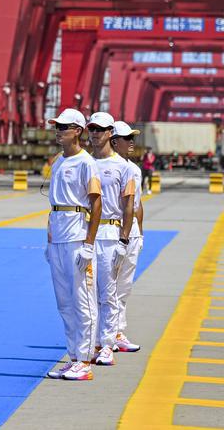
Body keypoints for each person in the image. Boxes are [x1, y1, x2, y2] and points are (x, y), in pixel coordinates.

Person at [43, 109, 102, 382]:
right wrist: (49, 240)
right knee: (64, 302)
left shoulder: (86, 163)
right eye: (57, 126)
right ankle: (74, 357)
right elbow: (53, 205)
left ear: (78, 130)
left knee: (83, 301)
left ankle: (86, 361)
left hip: (77, 236)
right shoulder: (57, 161)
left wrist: (89, 243)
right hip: (58, 238)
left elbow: (96, 203)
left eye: (64, 126)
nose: (58, 130)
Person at [85, 112, 135, 367]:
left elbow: (129, 206)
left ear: (110, 134)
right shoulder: (84, 162)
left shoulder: (123, 167)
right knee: (87, 294)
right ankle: (90, 344)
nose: (94, 133)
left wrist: (124, 240)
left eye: (100, 130)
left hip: (109, 234)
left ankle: (106, 344)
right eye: (91, 129)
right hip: (85, 235)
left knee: (108, 293)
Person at [110, 121, 143, 353]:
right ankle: (109, 334)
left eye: (132, 138)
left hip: (132, 234)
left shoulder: (135, 169)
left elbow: (137, 205)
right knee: (109, 287)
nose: (131, 142)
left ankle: (117, 332)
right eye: (126, 138)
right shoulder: (109, 167)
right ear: (114, 141)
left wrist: (140, 233)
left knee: (125, 286)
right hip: (113, 233)